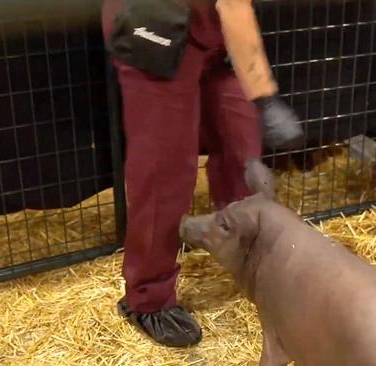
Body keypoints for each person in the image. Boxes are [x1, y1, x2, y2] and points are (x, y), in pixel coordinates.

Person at [101, 0, 302, 347]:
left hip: (216, 25)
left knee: (242, 148)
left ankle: (245, 262)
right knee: (164, 169)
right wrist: (265, 96)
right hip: (156, 20)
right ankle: (148, 296)